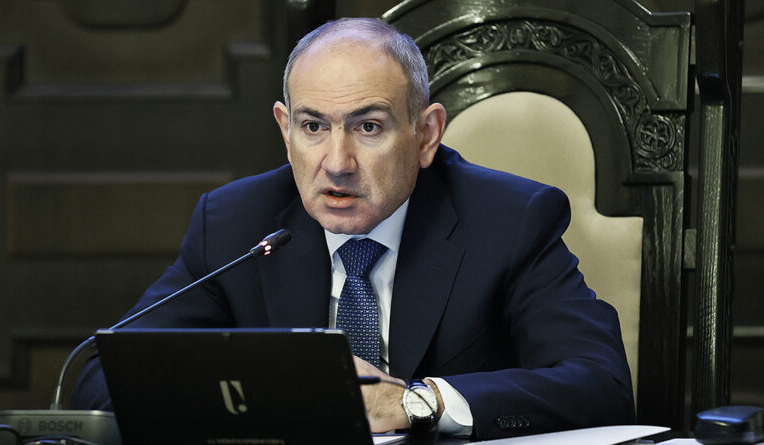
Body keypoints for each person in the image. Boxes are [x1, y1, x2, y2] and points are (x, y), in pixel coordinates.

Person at [73, 17, 635, 439]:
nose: (337, 163)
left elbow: (601, 383)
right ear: (285, 129)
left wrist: (418, 403)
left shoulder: (509, 219)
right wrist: (271, 399)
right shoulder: (235, 223)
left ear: (426, 134)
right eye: (313, 127)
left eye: (368, 127)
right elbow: (101, 378)